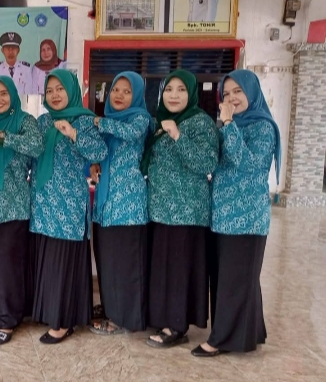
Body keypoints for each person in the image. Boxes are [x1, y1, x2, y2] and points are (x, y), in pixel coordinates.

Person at [191, 69, 279, 357]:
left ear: (252, 92)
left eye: (237, 91)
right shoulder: (231, 127)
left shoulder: (263, 127)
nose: (231, 98)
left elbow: (248, 166)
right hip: (222, 216)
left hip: (247, 218)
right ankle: (249, 332)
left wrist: (228, 123)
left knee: (235, 280)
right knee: (230, 278)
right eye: (226, 94)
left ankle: (221, 339)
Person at [141, 69, 219, 349]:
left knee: (178, 270)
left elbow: (207, 163)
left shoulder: (200, 123)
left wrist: (178, 136)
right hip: (160, 209)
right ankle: (163, 318)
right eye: (169, 89)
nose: (174, 95)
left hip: (186, 212)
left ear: (191, 94)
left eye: (181, 89)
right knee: (163, 268)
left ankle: (176, 325)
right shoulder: (160, 121)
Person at [30, 69, 107, 344]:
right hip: (43, 204)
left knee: (63, 263)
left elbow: (99, 152)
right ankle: (51, 313)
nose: (54, 95)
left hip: (69, 206)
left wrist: (73, 133)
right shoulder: (42, 122)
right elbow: (32, 155)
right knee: (48, 262)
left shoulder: (84, 120)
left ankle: (62, 322)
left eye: (60, 89)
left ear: (72, 90)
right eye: (49, 90)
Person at [0, 76, 44, 345]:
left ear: (13, 94)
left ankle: (6, 320)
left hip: (13, 207)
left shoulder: (24, 121)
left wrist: (3, 137)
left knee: (7, 265)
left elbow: (36, 146)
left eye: (4, 93)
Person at [88, 72, 153, 335]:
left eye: (127, 91)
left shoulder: (141, 119)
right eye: (116, 89)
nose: (119, 95)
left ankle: (123, 318)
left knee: (126, 265)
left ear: (136, 95)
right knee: (108, 262)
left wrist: (99, 122)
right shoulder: (108, 121)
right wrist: (93, 163)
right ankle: (110, 307)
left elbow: (131, 134)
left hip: (129, 207)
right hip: (105, 206)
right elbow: (100, 152)